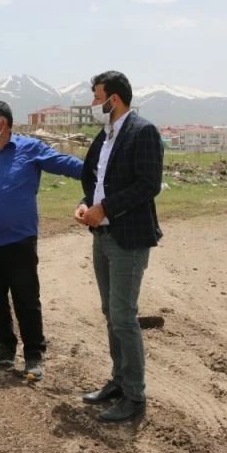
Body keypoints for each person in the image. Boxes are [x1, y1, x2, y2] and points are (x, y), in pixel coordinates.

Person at [0, 101, 83, 381]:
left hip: (19, 241)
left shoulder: (30, 149)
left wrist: (98, 171)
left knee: (26, 299)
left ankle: (34, 354)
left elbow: (64, 164)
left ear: (2, 123)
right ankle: (4, 346)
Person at [75, 71, 163, 422]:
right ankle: (119, 380)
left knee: (124, 316)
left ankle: (134, 397)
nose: (94, 104)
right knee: (111, 314)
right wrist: (86, 204)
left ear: (114, 99)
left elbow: (148, 184)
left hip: (128, 237)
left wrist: (105, 209)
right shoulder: (105, 135)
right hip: (102, 236)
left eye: (97, 98)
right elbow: (95, 181)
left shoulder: (143, 132)